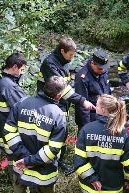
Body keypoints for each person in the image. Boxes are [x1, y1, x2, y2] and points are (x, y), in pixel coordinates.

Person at [3, 76, 67, 193]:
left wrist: (24, 157)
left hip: (20, 161)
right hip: (44, 166)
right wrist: (31, 160)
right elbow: (53, 149)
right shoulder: (58, 114)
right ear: (58, 96)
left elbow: (9, 132)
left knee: (19, 184)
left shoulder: (21, 103)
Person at [72, 94, 129, 193]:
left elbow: (79, 161)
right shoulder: (123, 133)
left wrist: (92, 179)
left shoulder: (87, 129)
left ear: (102, 109)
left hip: (88, 184)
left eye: (97, 103)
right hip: (111, 185)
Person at [37, 36, 95, 174]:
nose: (72, 58)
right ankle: (51, 161)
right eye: (70, 55)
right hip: (49, 103)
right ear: (62, 51)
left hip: (61, 103)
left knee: (62, 132)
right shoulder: (50, 64)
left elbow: (66, 84)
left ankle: (59, 160)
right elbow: (61, 89)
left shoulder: (64, 61)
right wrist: (82, 101)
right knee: (53, 133)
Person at [0, 52, 27, 165]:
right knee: (17, 160)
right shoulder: (10, 87)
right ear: (14, 67)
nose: (22, 73)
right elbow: (25, 109)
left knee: (9, 156)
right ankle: (17, 181)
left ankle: (10, 176)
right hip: (12, 131)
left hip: (1, 128)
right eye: (22, 70)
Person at [74, 50, 111, 131]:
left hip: (104, 115)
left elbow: (107, 90)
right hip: (90, 117)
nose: (102, 70)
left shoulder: (103, 71)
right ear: (92, 63)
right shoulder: (82, 77)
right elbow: (82, 105)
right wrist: (87, 127)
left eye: (104, 68)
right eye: (100, 68)